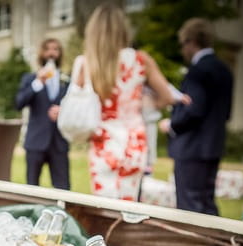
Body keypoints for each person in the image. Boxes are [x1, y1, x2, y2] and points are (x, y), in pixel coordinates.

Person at [74, 4, 173, 201]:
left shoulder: (88, 62)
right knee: (129, 208)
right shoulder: (141, 60)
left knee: (104, 207)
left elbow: (77, 104)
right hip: (134, 142)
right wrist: (140, 103)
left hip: (103, 141)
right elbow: (167, 97)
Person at [159, 18, 233, 215]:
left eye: (183, 44)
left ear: (191, 42)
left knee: (189, 206)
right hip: (213, 147)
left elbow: (194, 110)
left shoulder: (198, 71)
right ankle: (216, 245)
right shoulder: (225, 70)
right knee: (207, 203)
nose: (183, 50)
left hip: (191, 148)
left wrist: (171, 124)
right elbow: (225, 113)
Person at [15, 38, 70, 190]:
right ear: (42, 53)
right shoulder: (30, 79)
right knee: (32, 188)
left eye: (56, 49)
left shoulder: (67, 80)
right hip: (35, 140)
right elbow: (19, 103)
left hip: (59, 143)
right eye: (48, 49)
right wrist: (38, 83)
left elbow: (74, 107)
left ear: (60, 53)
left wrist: (63, 111)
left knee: (63, 188)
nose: (52, 52)